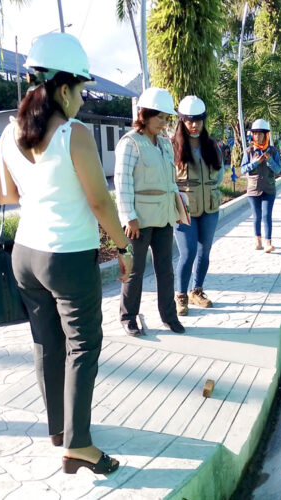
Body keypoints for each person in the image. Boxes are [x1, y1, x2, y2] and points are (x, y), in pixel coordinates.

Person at [0, 33, 133, 475]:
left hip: (25, 255)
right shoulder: (74, 134)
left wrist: (40, 194)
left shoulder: (9, 132)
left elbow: (2, 193)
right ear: (63, 88)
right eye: (81, 90)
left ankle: (59, 429)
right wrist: (123, 248)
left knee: (46, 344)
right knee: (84, 345)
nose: (82, 98)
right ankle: (80, 446)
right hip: (67, 257)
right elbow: (99, 202)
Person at [114, 87, 185, 336]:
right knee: (135, 271)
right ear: (144, 114)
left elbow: (170, 181)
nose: (164, 123)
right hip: (140, 220)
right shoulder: (130, 143)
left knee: (165, 269)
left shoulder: (165, 144)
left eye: (167, 118)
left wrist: (177, 209)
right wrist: (128, 218)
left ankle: (169, 315)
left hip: (164, 217)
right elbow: (122, 183)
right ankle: (128, 316)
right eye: (159, 117)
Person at [172, 96, 224, 316]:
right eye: (189, 120)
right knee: (188, 252)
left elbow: (220, 175)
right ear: (182, 121)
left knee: (205, 252)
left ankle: (197, 291)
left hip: (209, 208)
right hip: (184, 209)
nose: (194, 125)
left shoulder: (212, 145)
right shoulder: (172, 147)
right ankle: (180, 295)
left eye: (198, 120)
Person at [240, 119, 281, 253]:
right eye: (255, 134)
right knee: (256, 215)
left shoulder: (273, 151)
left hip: (269, 189)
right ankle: (257, 240)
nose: (257, 136)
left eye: (260, 134)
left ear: (266, 135)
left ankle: (268, 242)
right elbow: (243, 169)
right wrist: (255, 162)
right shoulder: (248, 151)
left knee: (267, 215)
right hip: (253, 189)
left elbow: (278, 170)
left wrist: (269, 161)